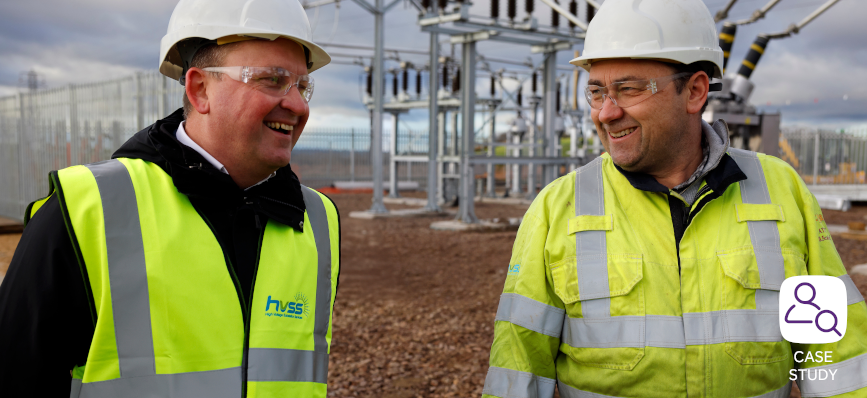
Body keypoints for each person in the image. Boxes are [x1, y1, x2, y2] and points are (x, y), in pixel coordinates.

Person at [481, 0, 867, 396]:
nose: (606, 113)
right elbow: (518, 371)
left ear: (695, 91)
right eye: (596, 92)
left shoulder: (780, 191)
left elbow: (835, 356)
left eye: (627, 89)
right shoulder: (556, 208)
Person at [0, 0, 340, 396]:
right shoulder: (88, 210)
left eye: (302, 85)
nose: (298, 105)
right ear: (199, 89)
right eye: (272, 79)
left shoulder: (318, 221)